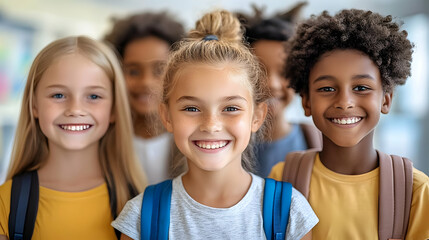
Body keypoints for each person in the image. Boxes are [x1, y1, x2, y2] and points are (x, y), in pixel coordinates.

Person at [111, 10, 318, 239]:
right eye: (192, 108)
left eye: (230, 108)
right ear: (166, 116)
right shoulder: (140, 218)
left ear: (257, 116)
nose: (211, 125)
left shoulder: (290, 212)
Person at [269, 9, 429, 239]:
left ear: (386, 99)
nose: (344, 102)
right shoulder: (282, 178)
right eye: (327, 89)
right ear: (306, 101)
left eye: (361, 88)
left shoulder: (416, 190)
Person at [0, 36, 147, 240]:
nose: (75, 110)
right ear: (34, 105)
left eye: (94, 96)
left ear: (114, 108)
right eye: (58, 95)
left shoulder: (140, 204)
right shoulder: (6, 203)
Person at [237, 3, 322, 178]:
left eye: (284, 72)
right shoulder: (223, 144)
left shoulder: (319, 144)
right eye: (259, 70)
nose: (272, 84)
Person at [104, 12, 185, 184]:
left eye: (159, 70)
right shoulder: (103, 141)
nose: (146, 82)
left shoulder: (191, 139)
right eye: (133, 71)